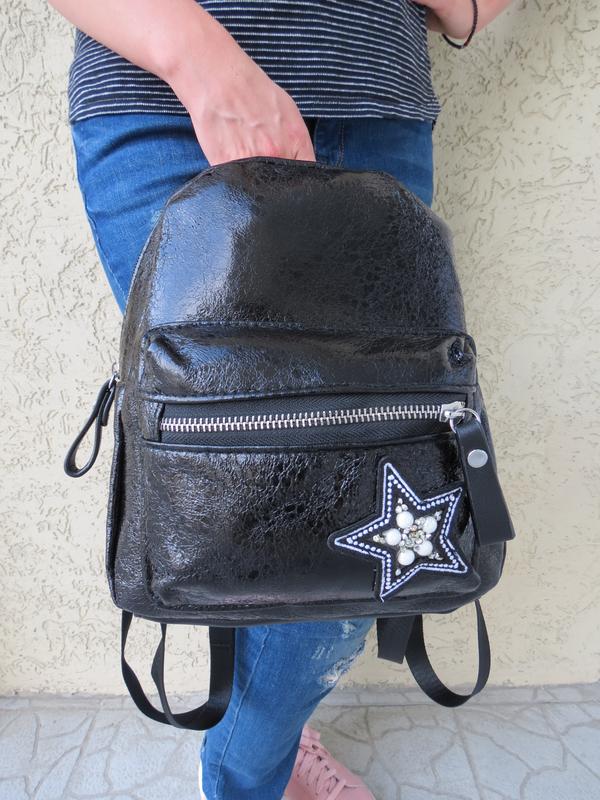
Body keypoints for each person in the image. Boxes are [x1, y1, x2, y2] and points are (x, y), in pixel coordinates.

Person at [49, 1, 513, 797]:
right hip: (168, 99)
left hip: (375, 111)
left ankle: (249, 757)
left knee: (360, 507)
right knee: (226, 477)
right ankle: (252, 772)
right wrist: (203, 62)